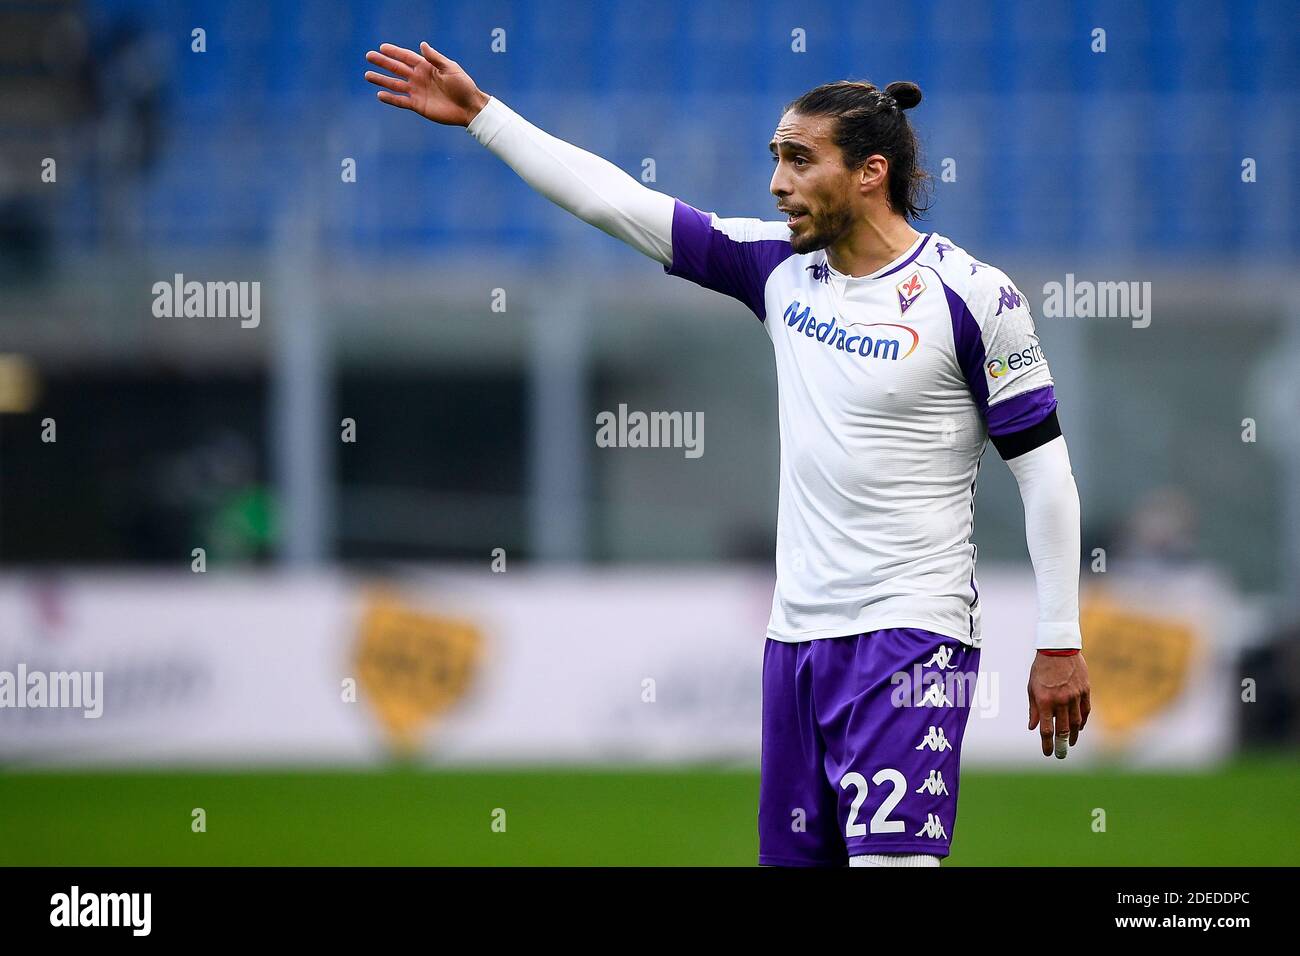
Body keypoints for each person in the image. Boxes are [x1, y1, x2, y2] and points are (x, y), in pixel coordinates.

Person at [365, 41, 1091, 867]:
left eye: (797, 159)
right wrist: (485, 118)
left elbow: (1045, 476)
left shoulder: (972, 297)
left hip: (913, 634)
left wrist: (1059, 638)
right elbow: (618, 203)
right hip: (797, 644)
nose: (776, 182)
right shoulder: (779, 270)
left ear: (870, 173)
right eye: (774, 158)